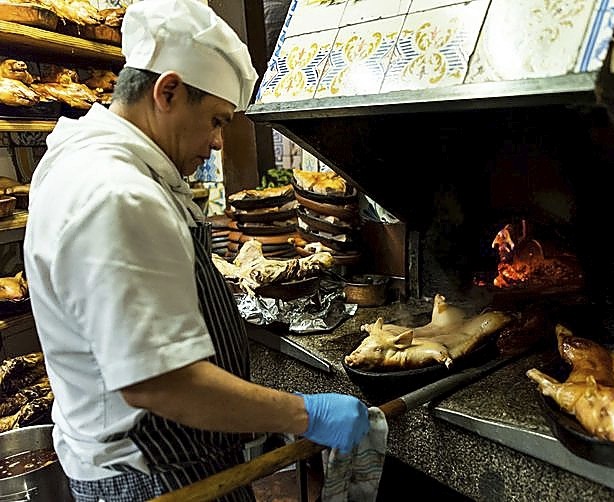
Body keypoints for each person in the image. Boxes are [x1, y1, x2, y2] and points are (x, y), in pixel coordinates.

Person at [22, 0, 370, 500]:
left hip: (167, 461)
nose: (217, 143)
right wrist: (305, 413)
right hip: (156, 474)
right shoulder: (116, 194)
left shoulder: (93, 165)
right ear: (168, 91)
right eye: (216, 120)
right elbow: (161, 384)